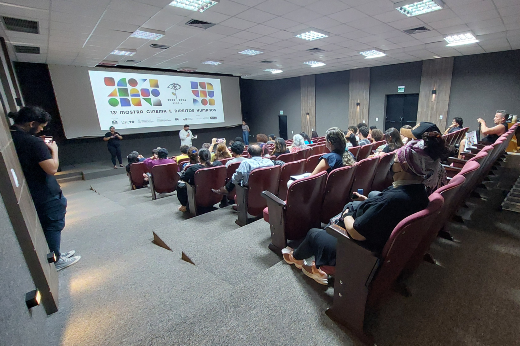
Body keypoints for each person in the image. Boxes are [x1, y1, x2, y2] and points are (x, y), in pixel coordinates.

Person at [281, 131, 447, 285]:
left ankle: (295, 257)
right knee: (339, 220)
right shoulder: (418, 191)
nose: (392, 165)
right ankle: (319, 252)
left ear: (406, 167)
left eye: (395, 162)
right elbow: (384, 209)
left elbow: (356, 233)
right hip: (375, 238)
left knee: (314, 233)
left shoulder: (394, 199)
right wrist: (366, 201)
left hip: (359, 250)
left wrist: (346, 214)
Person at [9, 106, 81, 271]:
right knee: (53, 224)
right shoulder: (32, 142)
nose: (41, 129)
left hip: (33, 190)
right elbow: (52, 168)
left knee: (49, 225)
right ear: (32, 123)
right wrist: (54, 151)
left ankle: (55, 254)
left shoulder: (13, 136)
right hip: (45, 192)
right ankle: (55, 258)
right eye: (41, 126)